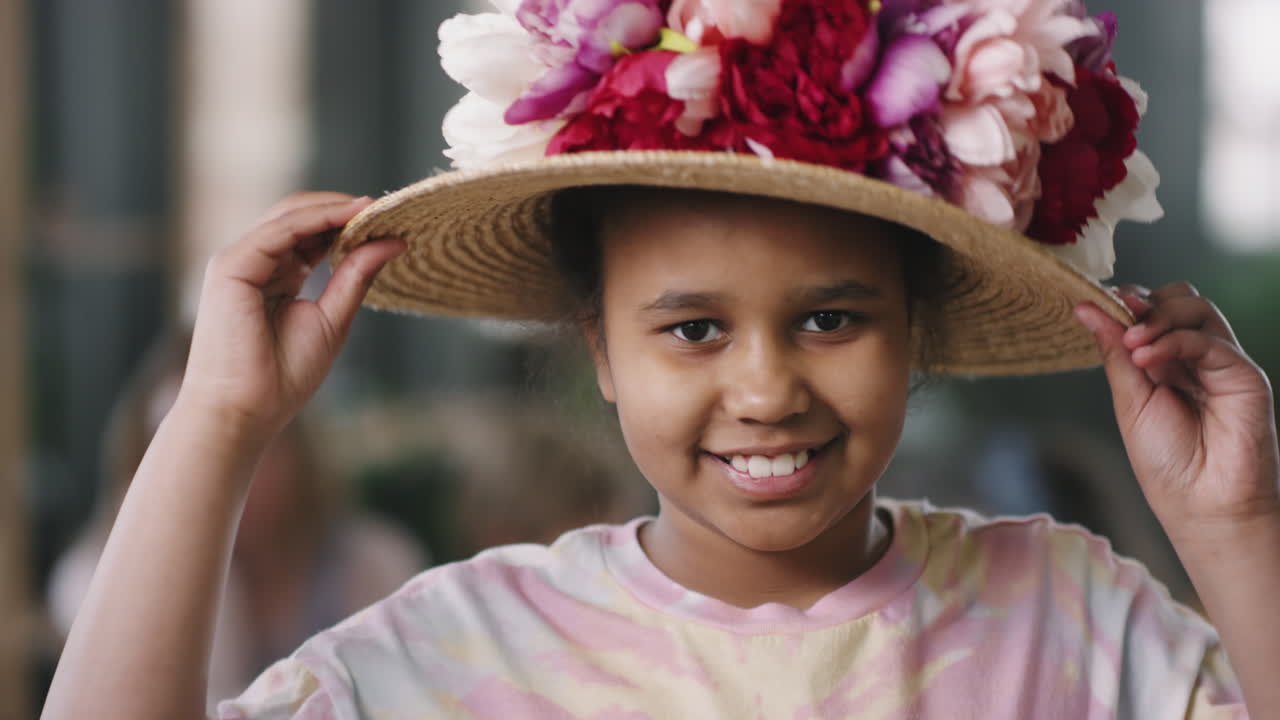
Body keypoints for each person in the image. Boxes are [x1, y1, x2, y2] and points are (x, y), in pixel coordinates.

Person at [42, 1, 1280, 717]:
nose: (763, 391)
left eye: (830, 319)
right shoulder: (457, 654)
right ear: (600, 351)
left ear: (917, 338)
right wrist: (214, 425)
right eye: (691, 329)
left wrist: (1233, 527)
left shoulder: (1073, 618)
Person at [45, 331, 425, 711]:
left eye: (254, 446)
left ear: (297, 452)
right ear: (142, 472)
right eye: (190, 455)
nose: (224, 479)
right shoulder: (93, 584)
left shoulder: (377, 562)